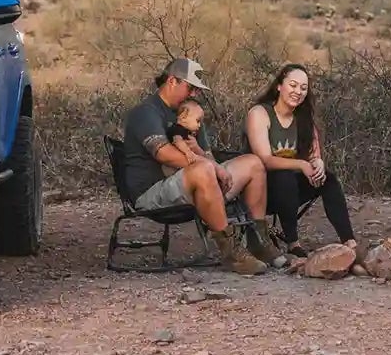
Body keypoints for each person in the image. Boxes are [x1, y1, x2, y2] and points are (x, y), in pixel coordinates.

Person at [118, 57, 278, 274]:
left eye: (196, 90)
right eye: (191, 87)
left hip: (198, 182)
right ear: (172, 81)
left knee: (253, 163)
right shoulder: (146, 112)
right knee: (203, 169)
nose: (195, 94)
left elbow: (208, 156)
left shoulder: (192, 112)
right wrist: (212, 167)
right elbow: (164, 153)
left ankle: (259, 241)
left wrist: (208, 161)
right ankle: (231, 252)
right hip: (154, 192)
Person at [241, 63, 356, 258]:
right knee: (284, 177)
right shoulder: (260, 114)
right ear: (279, 86)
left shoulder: (304, 118)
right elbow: (265, 160)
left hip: (292, 190)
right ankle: (293, 243)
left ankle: (349, 241)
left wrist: (317, 163)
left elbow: (314, 155)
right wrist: (301, 165)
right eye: (293, 85)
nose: (298, 92)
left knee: (328, 179)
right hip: (261, 190)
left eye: (303, 88)